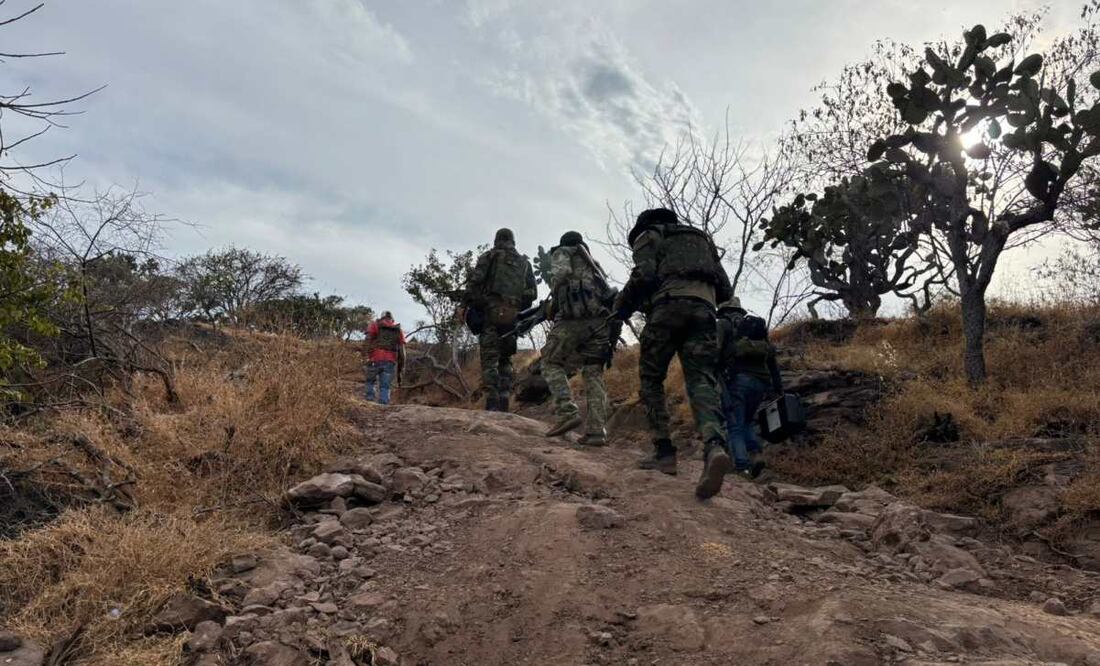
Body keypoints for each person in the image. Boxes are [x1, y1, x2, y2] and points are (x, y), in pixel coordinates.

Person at [612, 207, 734, 500]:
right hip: (705, 313)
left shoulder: (650, 236)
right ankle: (714, 445)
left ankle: (664, 453)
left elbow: (644, 275)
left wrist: (621, 308)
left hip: (668, 309)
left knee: (651, 379)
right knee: (701, 380)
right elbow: (726, 291)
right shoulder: (701, 240)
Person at [541, 231, 615, 445]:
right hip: (599, 324)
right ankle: (596, 432)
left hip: (572, 322)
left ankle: (567, 412)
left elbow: (561, 275)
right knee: (593, 373)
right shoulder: (595, 266)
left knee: (549, 362)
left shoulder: (563, 252)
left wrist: (555, 296)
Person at [464, 228, 537, 411]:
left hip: (490, 315)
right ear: (513, 241)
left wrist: (472, 303)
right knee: (505, 358)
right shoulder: (524, 263)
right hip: (512, 318)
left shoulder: (489, 257)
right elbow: (532, 293)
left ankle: (492, 402)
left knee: (490, 359)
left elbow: (475, 282)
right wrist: (516, 303)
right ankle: (504, 398)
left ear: (496, 240)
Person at [717, 298, 783, 479]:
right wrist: (778, 388)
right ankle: (756, 454)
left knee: (735, 426)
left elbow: (717, 351)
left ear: (723, 310)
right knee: (747, 422)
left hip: (738, 382)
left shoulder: (724, 325)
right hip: (761, 384)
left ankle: (742, 467)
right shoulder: (754, 328)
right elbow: (772, 363)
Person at [364, 311, 406, 405]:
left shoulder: (375, 325)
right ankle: (383, 405)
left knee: (370, 381)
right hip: (390, 361)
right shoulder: (398, 330)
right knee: (385, 386)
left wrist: (365, 356)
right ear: (392, 319)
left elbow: (367, 340)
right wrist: (401, 368)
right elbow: (402, 352)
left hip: (374, 358)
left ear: (381, 317)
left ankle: (369, 402)